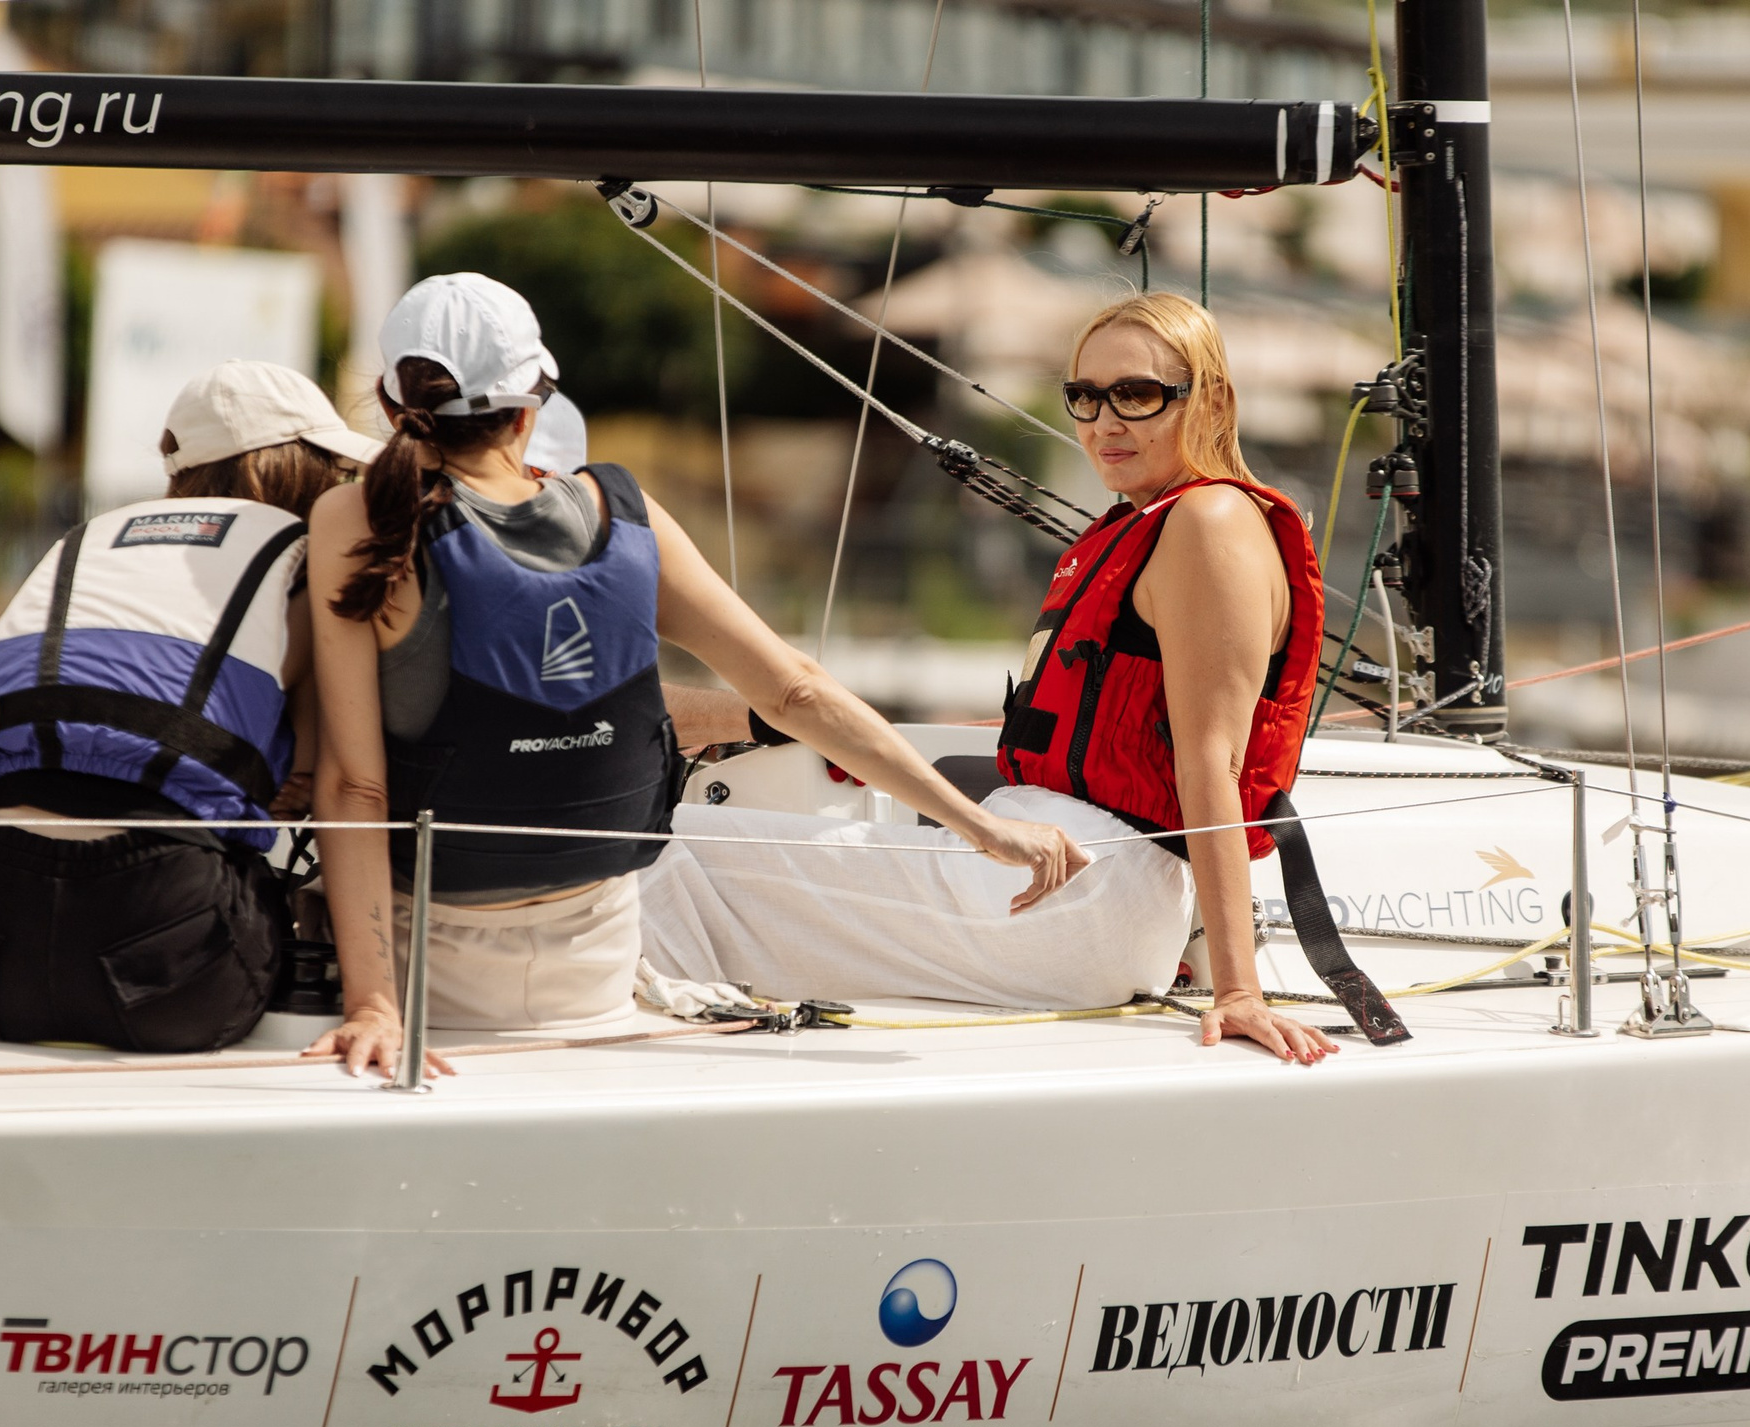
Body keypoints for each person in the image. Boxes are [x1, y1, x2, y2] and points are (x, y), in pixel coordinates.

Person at [302, 273, 1078, 1077]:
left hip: (436, 970)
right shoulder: (626, 512)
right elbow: (796, 691)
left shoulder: (361, 521)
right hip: (598, 959)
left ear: (393, 408)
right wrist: (980, 826)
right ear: (535, 401)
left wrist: (374, 1006)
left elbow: (355, 786)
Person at [638, 292, 1340, 1064]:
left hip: (1084, 890)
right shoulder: (1143, 525)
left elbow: (1212, 760)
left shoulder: (1208, 523)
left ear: (1210, 399)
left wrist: (1237, 989)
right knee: (692, 853)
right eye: (1084, 396)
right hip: (1060, 876)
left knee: (666, 847)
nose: (1105, 421)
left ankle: (600, 1034)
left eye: (1137, 395)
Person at [0, 360, 379, 1050]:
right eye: (334, 469)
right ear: (281, 470)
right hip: (166, 979)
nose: (341, 489)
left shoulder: (83, 544)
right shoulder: (299, 557)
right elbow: (319, 778)